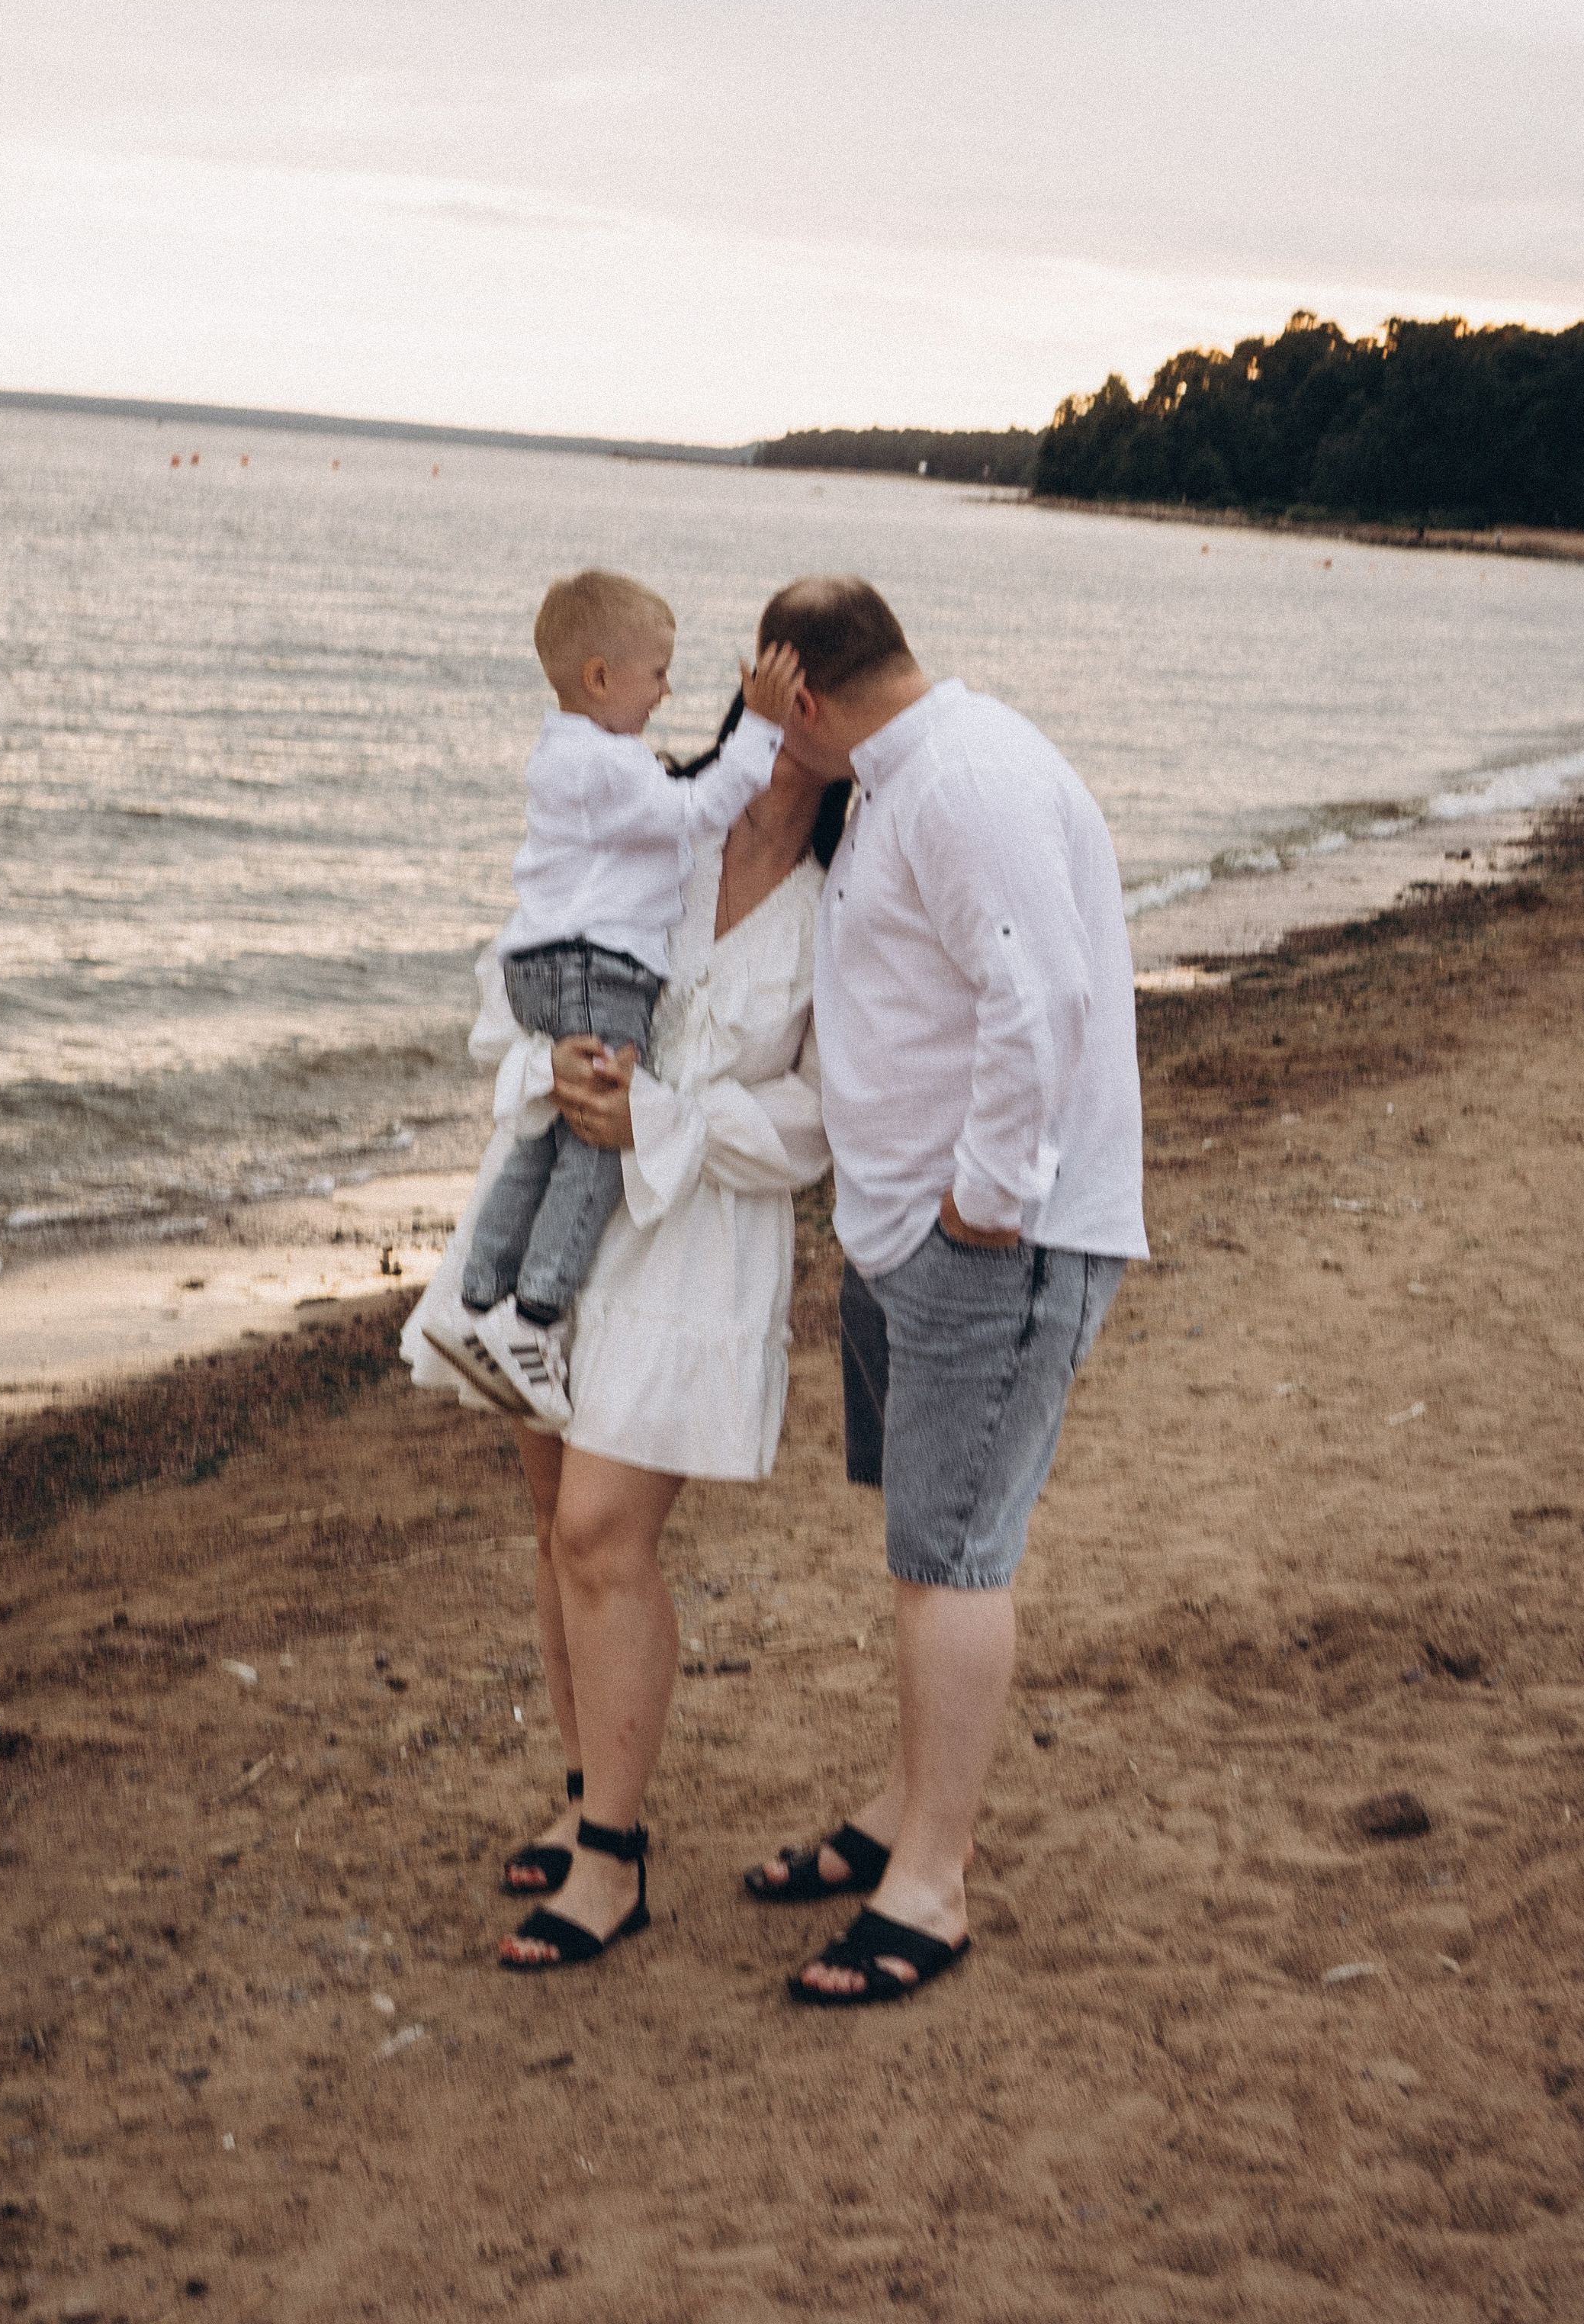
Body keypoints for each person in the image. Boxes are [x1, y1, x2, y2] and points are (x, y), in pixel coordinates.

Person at [742, 576, 1146, 2007]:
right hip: (912, 1234)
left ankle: (932, 1884)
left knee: (954, 1556)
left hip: (987, 1240)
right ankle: (901, 1813)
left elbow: (1042, 1001)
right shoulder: (897, 777)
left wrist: (985, 1201)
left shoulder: (964, 779)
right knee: (923, 1547)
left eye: (770, 709)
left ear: (803, 695)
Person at [403, 700, 847, 1968]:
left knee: (605, 1533)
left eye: (823, 705)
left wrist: (662, 1119)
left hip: (695, 1244)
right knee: (557, 1531)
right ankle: (587, 1787)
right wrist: (547, 1070)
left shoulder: (846, 906)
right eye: (779, 699)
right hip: (559, 1219)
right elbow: (516, 977)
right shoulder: (656, 831)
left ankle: (615, 1857)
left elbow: (824, 1120)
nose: (799, 727)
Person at [422, 568, 802, 1427]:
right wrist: (761, 727)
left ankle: (478, 1299)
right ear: (600, 677)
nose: (668, 692)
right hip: (597, 969)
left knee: (549, 1131)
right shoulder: (606, 762)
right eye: (658, 673)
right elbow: (696, 811)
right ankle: (532, 1318)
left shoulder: (566, 755)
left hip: (546, 964)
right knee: (599, 1139)